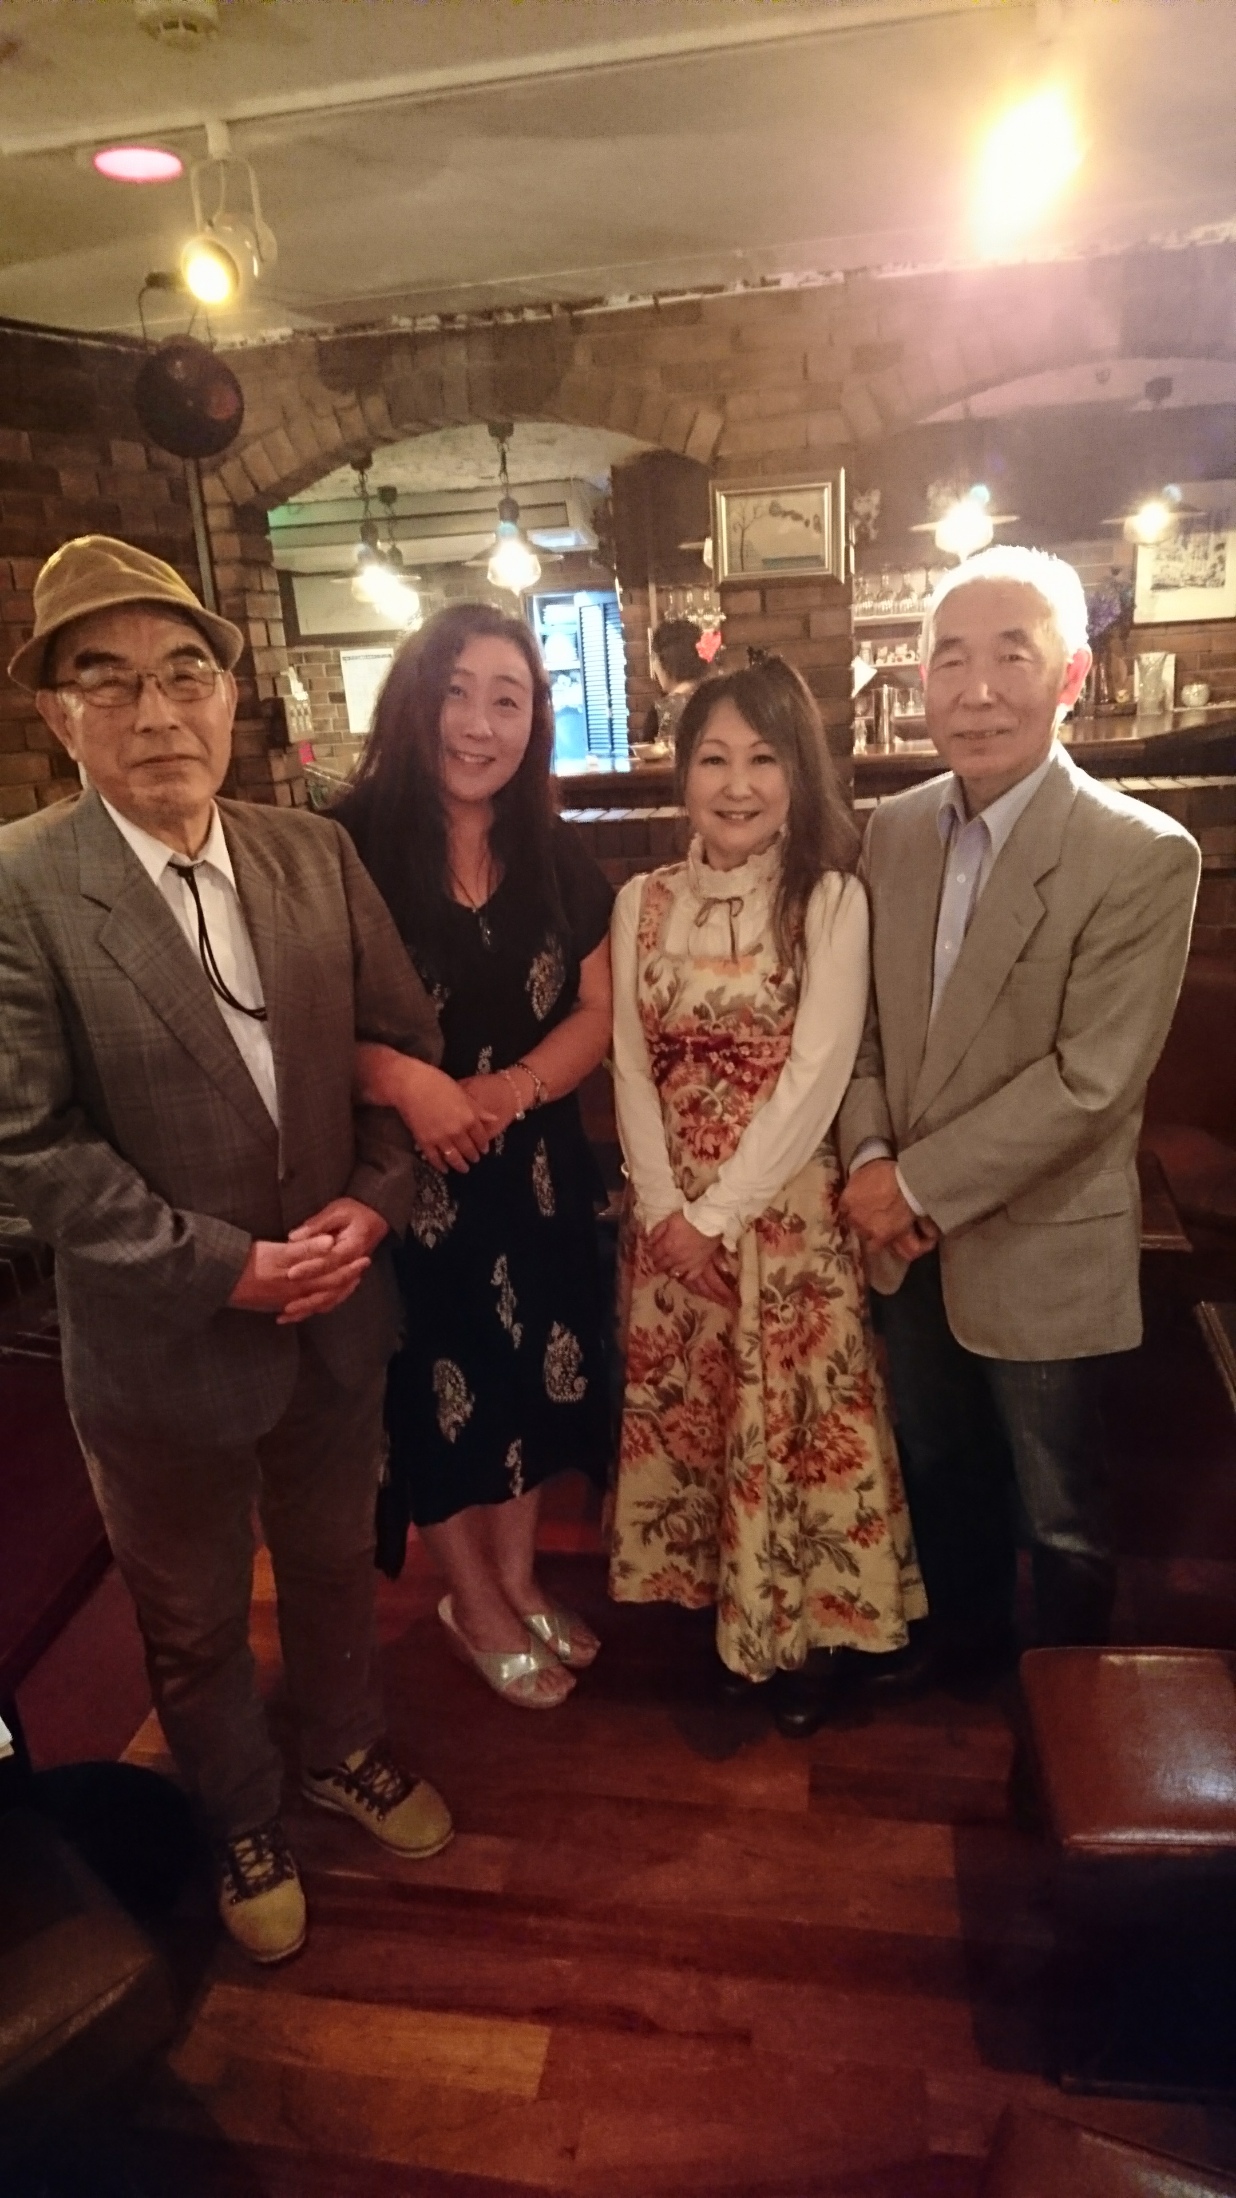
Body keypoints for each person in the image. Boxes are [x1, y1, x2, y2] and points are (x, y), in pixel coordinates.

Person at [0, 537, 452, 1967]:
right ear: (58, 714)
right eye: (108, 681)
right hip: (162, 1341)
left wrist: (374, 1201)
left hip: (336, 1308)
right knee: (192, 1617)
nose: (155, 713)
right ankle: (240, 1813)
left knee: (332, 1563)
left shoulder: (312, 851)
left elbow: (398, 1050)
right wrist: (227, 1267)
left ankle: (342, 1746)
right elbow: (28, 1145)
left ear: (229, 692)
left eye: (184, 673)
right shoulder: (20, 884)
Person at [838, 545, 1201, 1678]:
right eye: (952, 660)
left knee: (1060, 1505)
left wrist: (911, 1183)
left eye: (1012, 656)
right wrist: (869, 1157)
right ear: (921, 679)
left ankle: (1070, 1704)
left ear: (1070, 676)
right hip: (902, 1235)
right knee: (938, 1464)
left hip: (1036, 1235)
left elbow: (1091, 1080)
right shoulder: (893, 830)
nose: (979, 689)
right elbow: (863, 1029)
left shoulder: (1140, 854)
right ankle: (963, 1656)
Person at [608, 656, 925, 1736]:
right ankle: (730, 1622)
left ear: (800, 774)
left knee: (794, 1424)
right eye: (713, 759)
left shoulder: (829, 898)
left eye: (763, 758)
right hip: (671, 1224)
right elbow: (631, 1065)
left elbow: (818, 1075)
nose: (737, 784)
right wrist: (664, 1211)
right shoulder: (639, 901)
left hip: (783, 1218)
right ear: (682, 776)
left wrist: (713, 1217)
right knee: (706, 1422)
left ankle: (804, 1638)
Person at [337, 603, 614, 1710]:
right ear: (414, 700)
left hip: (535, 1170)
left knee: (533, 1376)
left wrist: (512, 1088)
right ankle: (471, 1598)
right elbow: (295, 1022)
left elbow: (597, 1010)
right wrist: (409, 1081)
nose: (479, 723)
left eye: (509, 699)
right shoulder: (341, 847)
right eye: (456, 691)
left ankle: (519, 1576)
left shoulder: (551, 848)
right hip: (409, 1181)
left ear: (535, 721)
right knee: (439, 1390)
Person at [641, 618, 707, 745]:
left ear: (662, 661)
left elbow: (647, 754)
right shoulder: (718, 702)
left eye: (654, 658)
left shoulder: (660, 711)